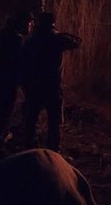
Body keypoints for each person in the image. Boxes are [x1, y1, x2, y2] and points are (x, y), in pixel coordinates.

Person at [21, 11, 81, 152]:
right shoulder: (56, 39)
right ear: (53, 23)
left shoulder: (30, 40)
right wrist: (59, 32)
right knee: (54, 122)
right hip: (52, 86)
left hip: (33, 86)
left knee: (31, 120)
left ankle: (31, 151)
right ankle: (53, 152)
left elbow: (23, 63)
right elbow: (77, 41)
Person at [0, 10, 34, 158]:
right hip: (6, 79)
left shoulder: (4, 34)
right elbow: (18, 62)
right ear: (22, 23)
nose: (31, 26)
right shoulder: (15, 38)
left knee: (3, 108)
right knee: (4, 110)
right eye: (29, 23)